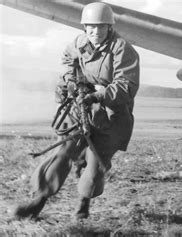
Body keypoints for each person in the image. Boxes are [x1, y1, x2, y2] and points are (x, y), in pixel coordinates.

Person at [13, 2, 140, 220]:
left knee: (94, 165)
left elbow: (125, 86)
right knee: (63, 153)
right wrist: (71, 82)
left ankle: (83, 205)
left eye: (101, 27)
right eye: (91, 27)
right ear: (84, 28)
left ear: (110, 27)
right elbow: (67, 65)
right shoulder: (78, 43)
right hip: (79, 108)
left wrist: (98, 94)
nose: (95, 32)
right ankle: (38, 201)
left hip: (110, 116)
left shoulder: (123, 49)